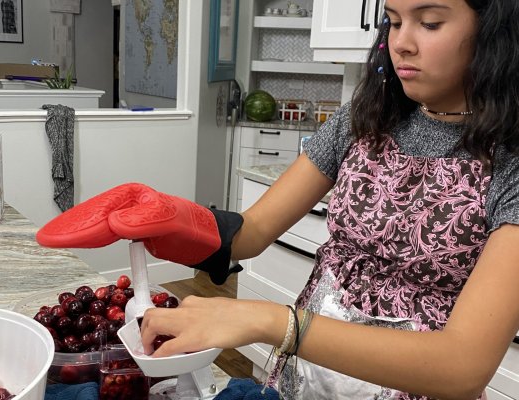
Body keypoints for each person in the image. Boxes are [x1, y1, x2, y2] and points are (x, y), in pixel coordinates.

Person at [36, 0, 519, 398]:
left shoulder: (510, 159)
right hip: (308, 371)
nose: (401, 43)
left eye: (429, 22)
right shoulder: (368, 116)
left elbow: (463, 365)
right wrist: (167, 217)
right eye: (392, 21)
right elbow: (253, 231)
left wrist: (268, 320)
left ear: (495, 32)